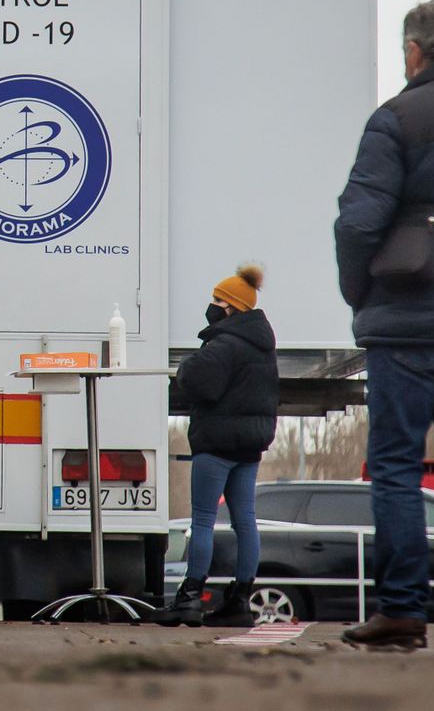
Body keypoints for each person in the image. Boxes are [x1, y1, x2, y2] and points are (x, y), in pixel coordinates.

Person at [336, 0, 434, 650]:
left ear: (413, 52)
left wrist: (360, 295)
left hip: (406, 323)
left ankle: (402, 611)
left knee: (398, 467)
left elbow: (358, 222)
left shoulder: (396, 119)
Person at [150, 265, 277, 628]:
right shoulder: (263, 345)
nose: (212, 306)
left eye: (217, 300)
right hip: (250, 445)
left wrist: (185, 368)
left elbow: (196, 381)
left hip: (217, 443)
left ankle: (189, 599)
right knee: (245, 521)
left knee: (203, 519)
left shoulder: (224, 344)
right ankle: (239, 601)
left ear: (232, 307)